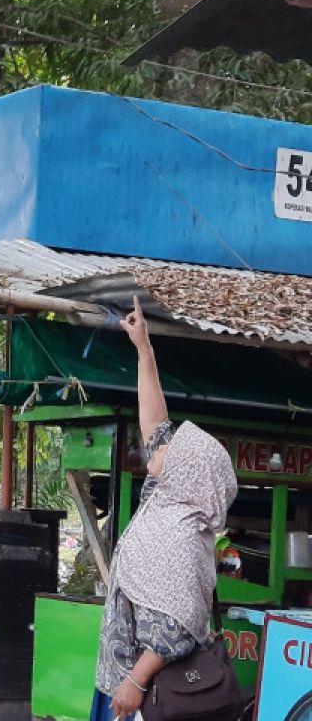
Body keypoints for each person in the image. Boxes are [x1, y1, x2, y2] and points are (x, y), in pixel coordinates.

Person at [90, 296, 238, 721]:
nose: (161, 444)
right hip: (124, 684)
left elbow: (178, 629)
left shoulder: (184, 539)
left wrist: (134, 684)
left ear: (187, 473)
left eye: (173, 449)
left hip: (154, 696)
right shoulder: (167, 498)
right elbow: (153, 421)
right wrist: (144, 348)